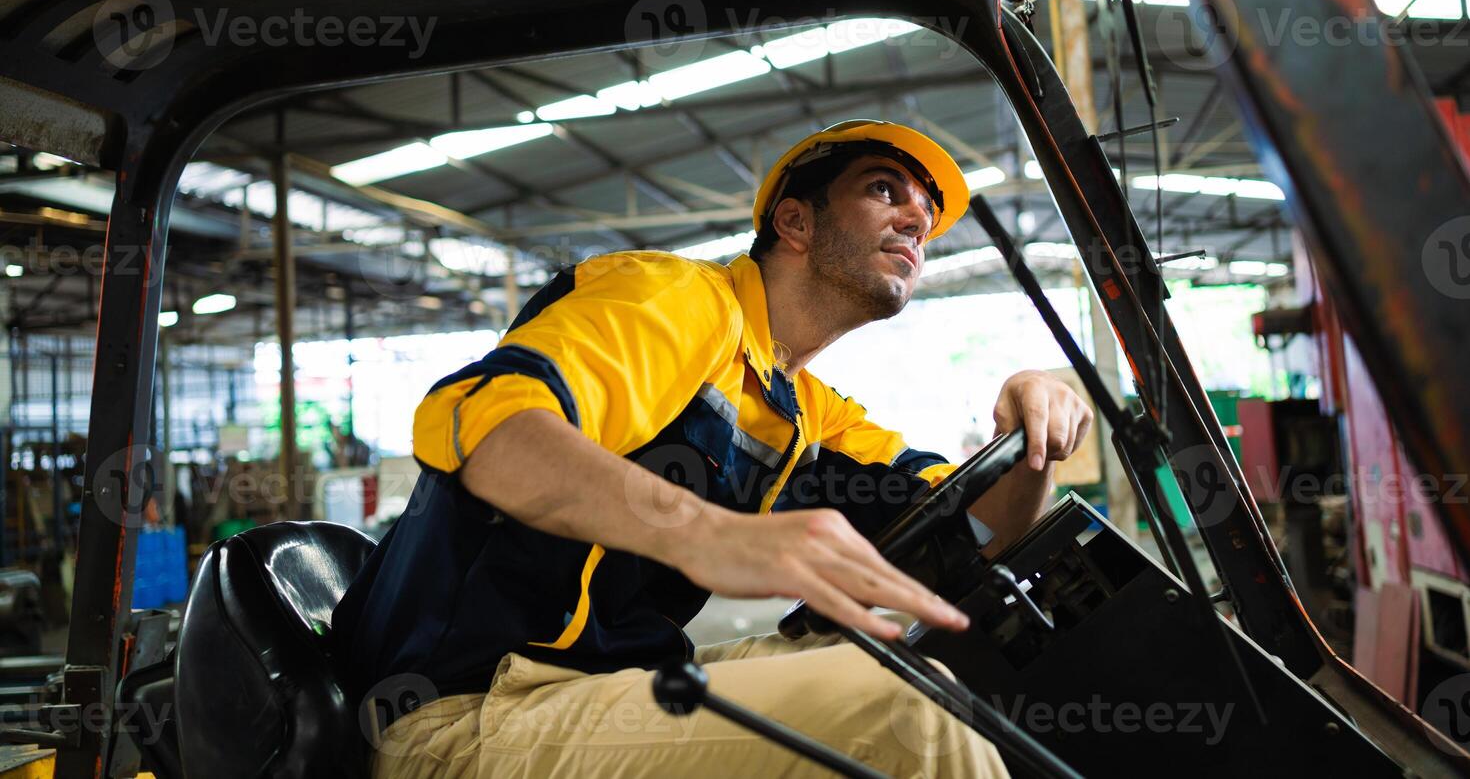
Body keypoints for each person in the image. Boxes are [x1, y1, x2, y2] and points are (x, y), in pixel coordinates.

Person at [333, 119, 1094, 778]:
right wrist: (707, 533)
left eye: (927, 213)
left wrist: (1033, 432)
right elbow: (482, 424)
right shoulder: (673, 300)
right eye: (886, 191)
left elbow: (979, 529)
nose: (917, 222)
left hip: (610, 683)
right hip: (464, 716)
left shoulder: (801, 409)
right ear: (795, 223)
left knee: (926, 674)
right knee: (909, 723)